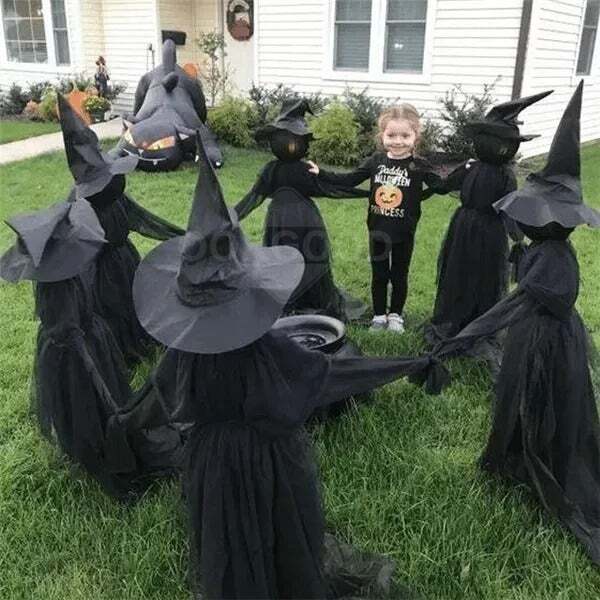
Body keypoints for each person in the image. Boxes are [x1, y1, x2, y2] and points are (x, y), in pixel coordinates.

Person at [121, 135, 447, 598]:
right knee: (281, 529)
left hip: (211, 461)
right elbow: (331, 375)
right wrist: (410, 363)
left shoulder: (182, 354)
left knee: (226, 530)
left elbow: (156, 397)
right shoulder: (269, 351)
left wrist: (120, 426)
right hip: (270, 459)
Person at [433, 82, 600, 565]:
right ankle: (512, 454)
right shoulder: (544, 249)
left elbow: (511, 307)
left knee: (538, 397)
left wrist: (464, 337)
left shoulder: (555, 261)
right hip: (534, 334)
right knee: (516, 392)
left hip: (547, 342)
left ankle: (537, 461)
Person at [0, 199, 181, 500]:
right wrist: (102, 390)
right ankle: (97, 446)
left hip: (89, 340)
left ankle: (98, 433)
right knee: (87, 404)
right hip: (75, 353)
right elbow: (67, 331)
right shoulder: (58, 289)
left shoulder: (64, 277)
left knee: (101, 398)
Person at [58, 94, 184, 364]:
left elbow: (142, 219)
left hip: (124, 260)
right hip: (96, 271)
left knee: (131, 299)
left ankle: (136, 339)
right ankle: (115, 349)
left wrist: (179, 235)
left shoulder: (115, 199)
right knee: (109, 307)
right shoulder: (77, 206)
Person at [425, 91, 553, 348]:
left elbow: (509, 207)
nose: (502, 149)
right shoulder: (470, 167)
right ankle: (454, 316)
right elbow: (444, 185)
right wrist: (422, 173)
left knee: (485, 273)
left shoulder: (505, 176)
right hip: (463, 227)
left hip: (489, 231)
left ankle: (479, 320)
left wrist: (518, 237)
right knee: (458, 269)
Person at [308, 104, 449, 333]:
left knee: (399, 275)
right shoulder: (376, 161)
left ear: (415, 136)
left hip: (404, 232)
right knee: (379, 274)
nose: (398, 141)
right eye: (391, 135)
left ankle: (396, 316)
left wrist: (464, 173)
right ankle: (379, 315)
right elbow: (349, 179)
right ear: (382, 135)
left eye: (405, 136)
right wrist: (321, 173)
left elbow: (442, 186)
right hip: (378, 231)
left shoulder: (419, 166)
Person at [235, 99, 369, 321]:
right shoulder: (271, 170)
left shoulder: (305, 169)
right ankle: (286, 297)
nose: (290, 145)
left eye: (296, 139)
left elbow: (331, 188)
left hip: (305, 220)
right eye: (284, 139)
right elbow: (253, 198)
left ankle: (307, 296)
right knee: (282, 258)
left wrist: (368, 194)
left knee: (309, 257)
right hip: (280, 221)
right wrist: (231, 216)